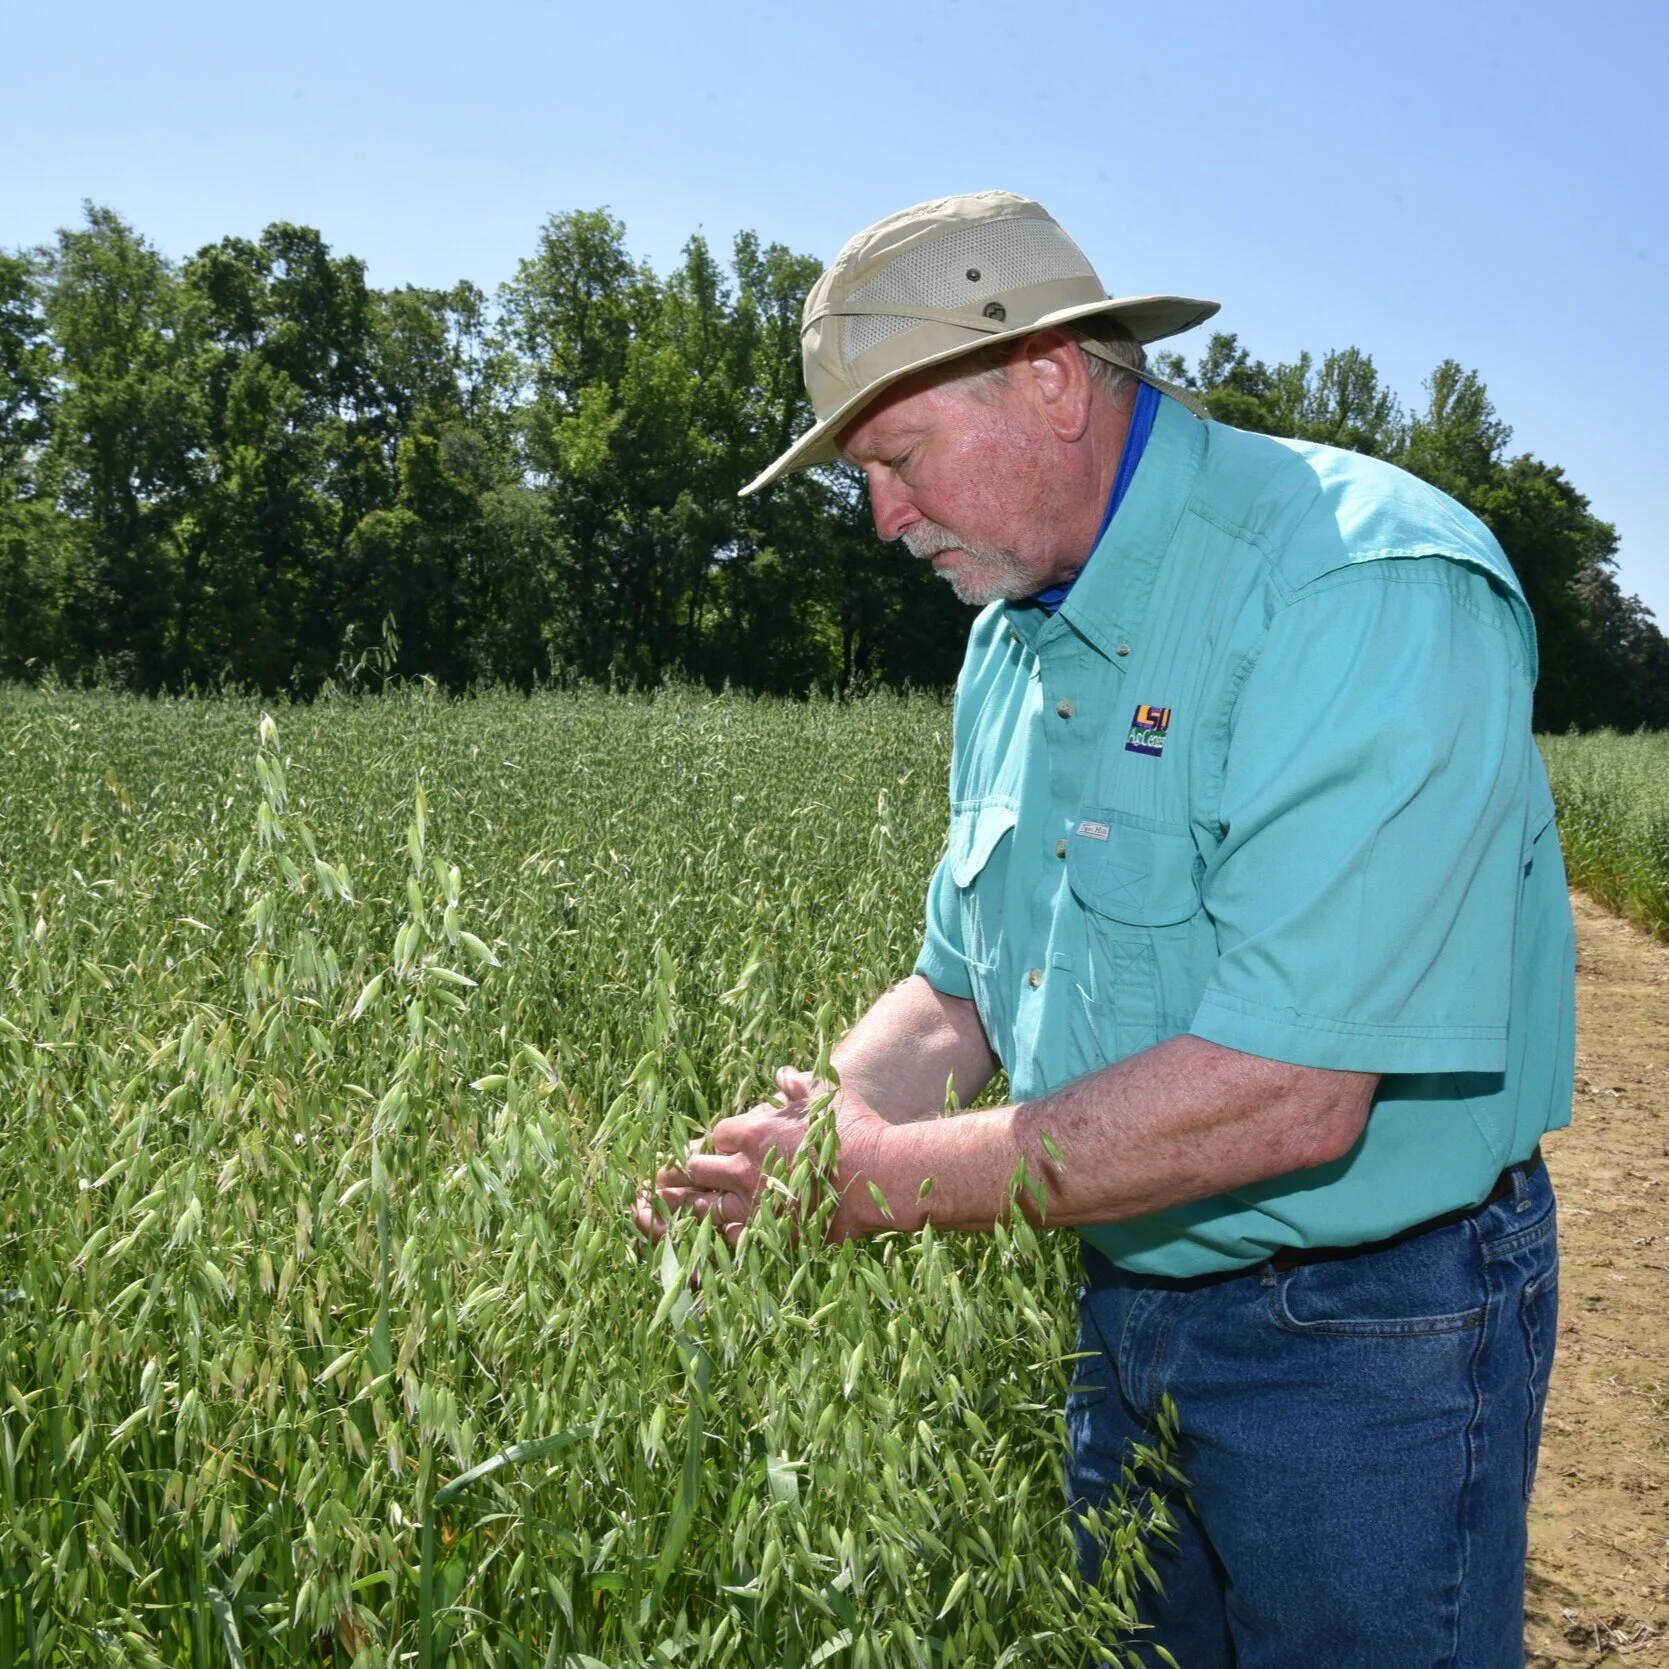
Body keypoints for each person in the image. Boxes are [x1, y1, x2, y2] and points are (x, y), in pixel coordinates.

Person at [638, 190, 1574, 1666]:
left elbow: (1288, 1087)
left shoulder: (1360, 588)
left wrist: (877, 1188)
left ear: (1052, 380)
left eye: (899, 458)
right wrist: (802, 1148)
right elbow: (961, 993)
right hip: (1124, 1307)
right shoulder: (1011, 639)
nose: (884, 518)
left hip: (1369, 1338)